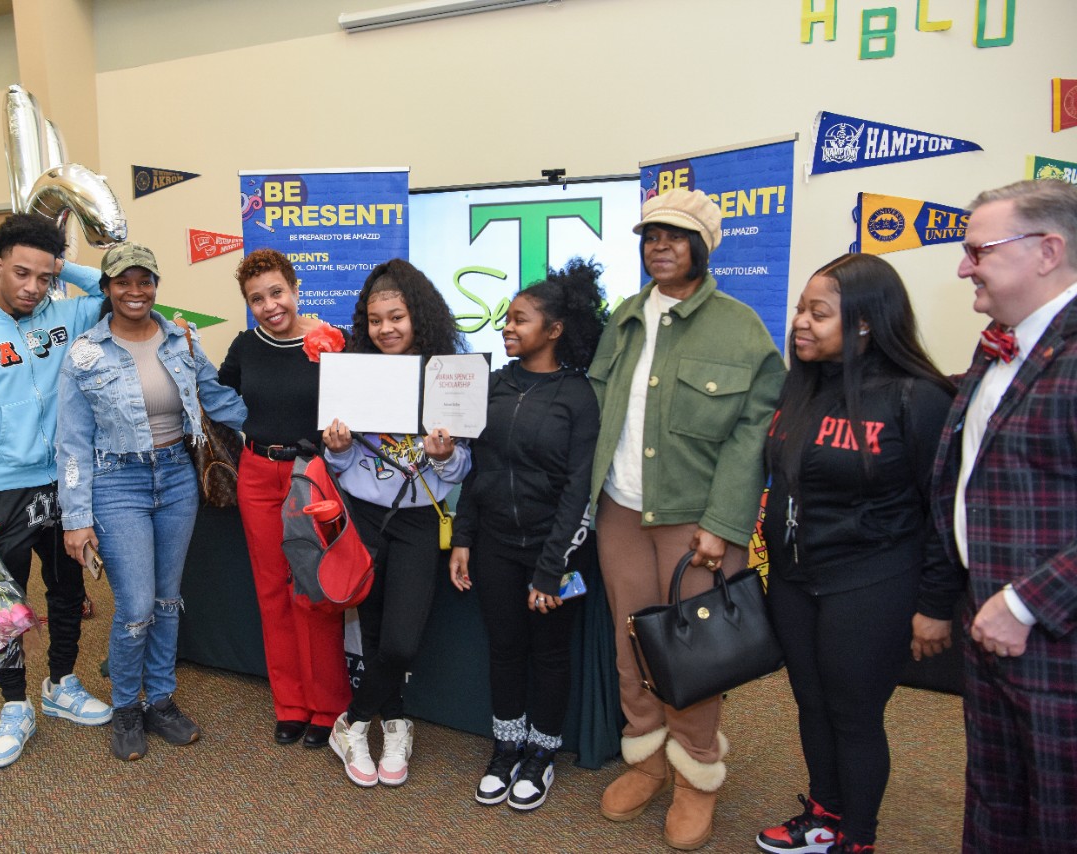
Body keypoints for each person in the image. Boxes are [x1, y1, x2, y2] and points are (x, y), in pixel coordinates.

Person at [589, 188, 785, 849]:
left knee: (694, 651)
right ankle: (646, 757)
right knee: (632, 640)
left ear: (702, 247)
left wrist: (724, 523)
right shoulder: (625, 316)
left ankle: (698, 773)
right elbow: (598, 407)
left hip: (695, 519)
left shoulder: (740, 327)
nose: (660, 247)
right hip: (620, 508)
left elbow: (755, 431)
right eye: (651, 236)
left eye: (674, 236)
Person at [755, 254, 960, 854]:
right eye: (800, 309)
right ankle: (824, 814)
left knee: (853, 713)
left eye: (819, 313)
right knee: (811, 704)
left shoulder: (918, 397)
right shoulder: (800, 387)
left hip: (871, 581)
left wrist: (936, 605)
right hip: (794, 579)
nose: (801, 322)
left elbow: (944, 511)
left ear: (867, 321)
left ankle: (858, 838)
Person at [928, 179, 1077, 852]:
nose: (965, 268)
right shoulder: (1001, 343)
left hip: (1054, 638)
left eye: (978, 251)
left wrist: (1025, 604)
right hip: (987, 621)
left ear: (1047, 251)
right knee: (997, 796)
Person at [0, 213, 112, 769]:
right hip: (5, 491)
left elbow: (110, 288)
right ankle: (14, 705)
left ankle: (61, 683)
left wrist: (63, 265)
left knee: (67, 590)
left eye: (44, 276)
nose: (33, 287)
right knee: (3, 606)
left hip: (66, 483)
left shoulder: (65, 313)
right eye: (21, 273)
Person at [55, 242, 246, 761]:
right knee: (136, 606)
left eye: (145, 281)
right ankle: (125, 706)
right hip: (117, 484)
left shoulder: (181, 338)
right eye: (123, 282)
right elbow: (72, 444)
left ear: (156, 286)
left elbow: (217, 398)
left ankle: (159, 700)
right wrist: (76, 518)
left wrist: (279, 420)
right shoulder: (85, 353)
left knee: (166, 600)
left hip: (178, 478)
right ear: (107, 288)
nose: (135, 291)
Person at [448, 258, 607, 810]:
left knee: (550, 653)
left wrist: (551, 568)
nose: (507, 327)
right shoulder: (492, 385)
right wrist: (463, 538)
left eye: (520, 319)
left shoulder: (579, 396)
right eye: (507, 319)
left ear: (555, 329)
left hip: (555, 553)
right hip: (494, 544)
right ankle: (506, 746)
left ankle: (541, 753)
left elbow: (579, 490)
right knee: (505, 648)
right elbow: (476, 470)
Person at [322, 258, 471, 788]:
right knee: (373, 632)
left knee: (402, 642)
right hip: (362, 518)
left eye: (397, 317)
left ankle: (353, 722)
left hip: (418, 521)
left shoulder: (448, 375)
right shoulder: (352, 371)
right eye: (375, 319)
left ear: (419, 317)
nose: (386, 329)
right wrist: (338, 448)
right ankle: (396, 721)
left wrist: (446, 455)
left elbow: (461, 469)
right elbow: (340, 464)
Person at [218, 248, 353, 749]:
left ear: (296, 290)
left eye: (277, 292)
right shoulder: (245, 346)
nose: (270, 305)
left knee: (313, 589)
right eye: (257, 299)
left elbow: (354, 405)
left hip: (310, 476)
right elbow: (219, 394)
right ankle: (291, 704)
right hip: (256, 474)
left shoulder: (330, 342)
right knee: (272, 590)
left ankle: (328, 706)